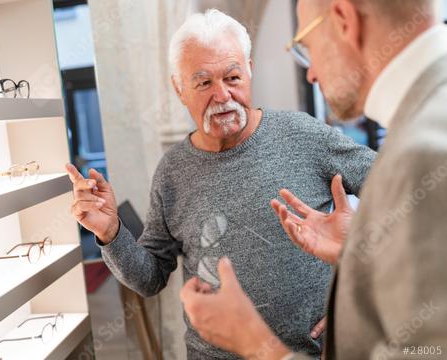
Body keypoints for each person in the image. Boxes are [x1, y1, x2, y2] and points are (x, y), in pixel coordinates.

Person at [66, 9, 375, 359]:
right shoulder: (172, 171)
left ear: (250, 71)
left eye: (232, 77)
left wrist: (356, 290)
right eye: (203, 83)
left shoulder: (305, 135)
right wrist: (110, 233)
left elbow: (405, 193)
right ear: (179, 89)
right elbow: (148, 279)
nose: (223, 96)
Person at [179, 0, 447, 359]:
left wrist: (255, 343)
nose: (311, 73)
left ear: (343, 20)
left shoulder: (424, 151)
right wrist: (356, 258)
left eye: (306, 44)